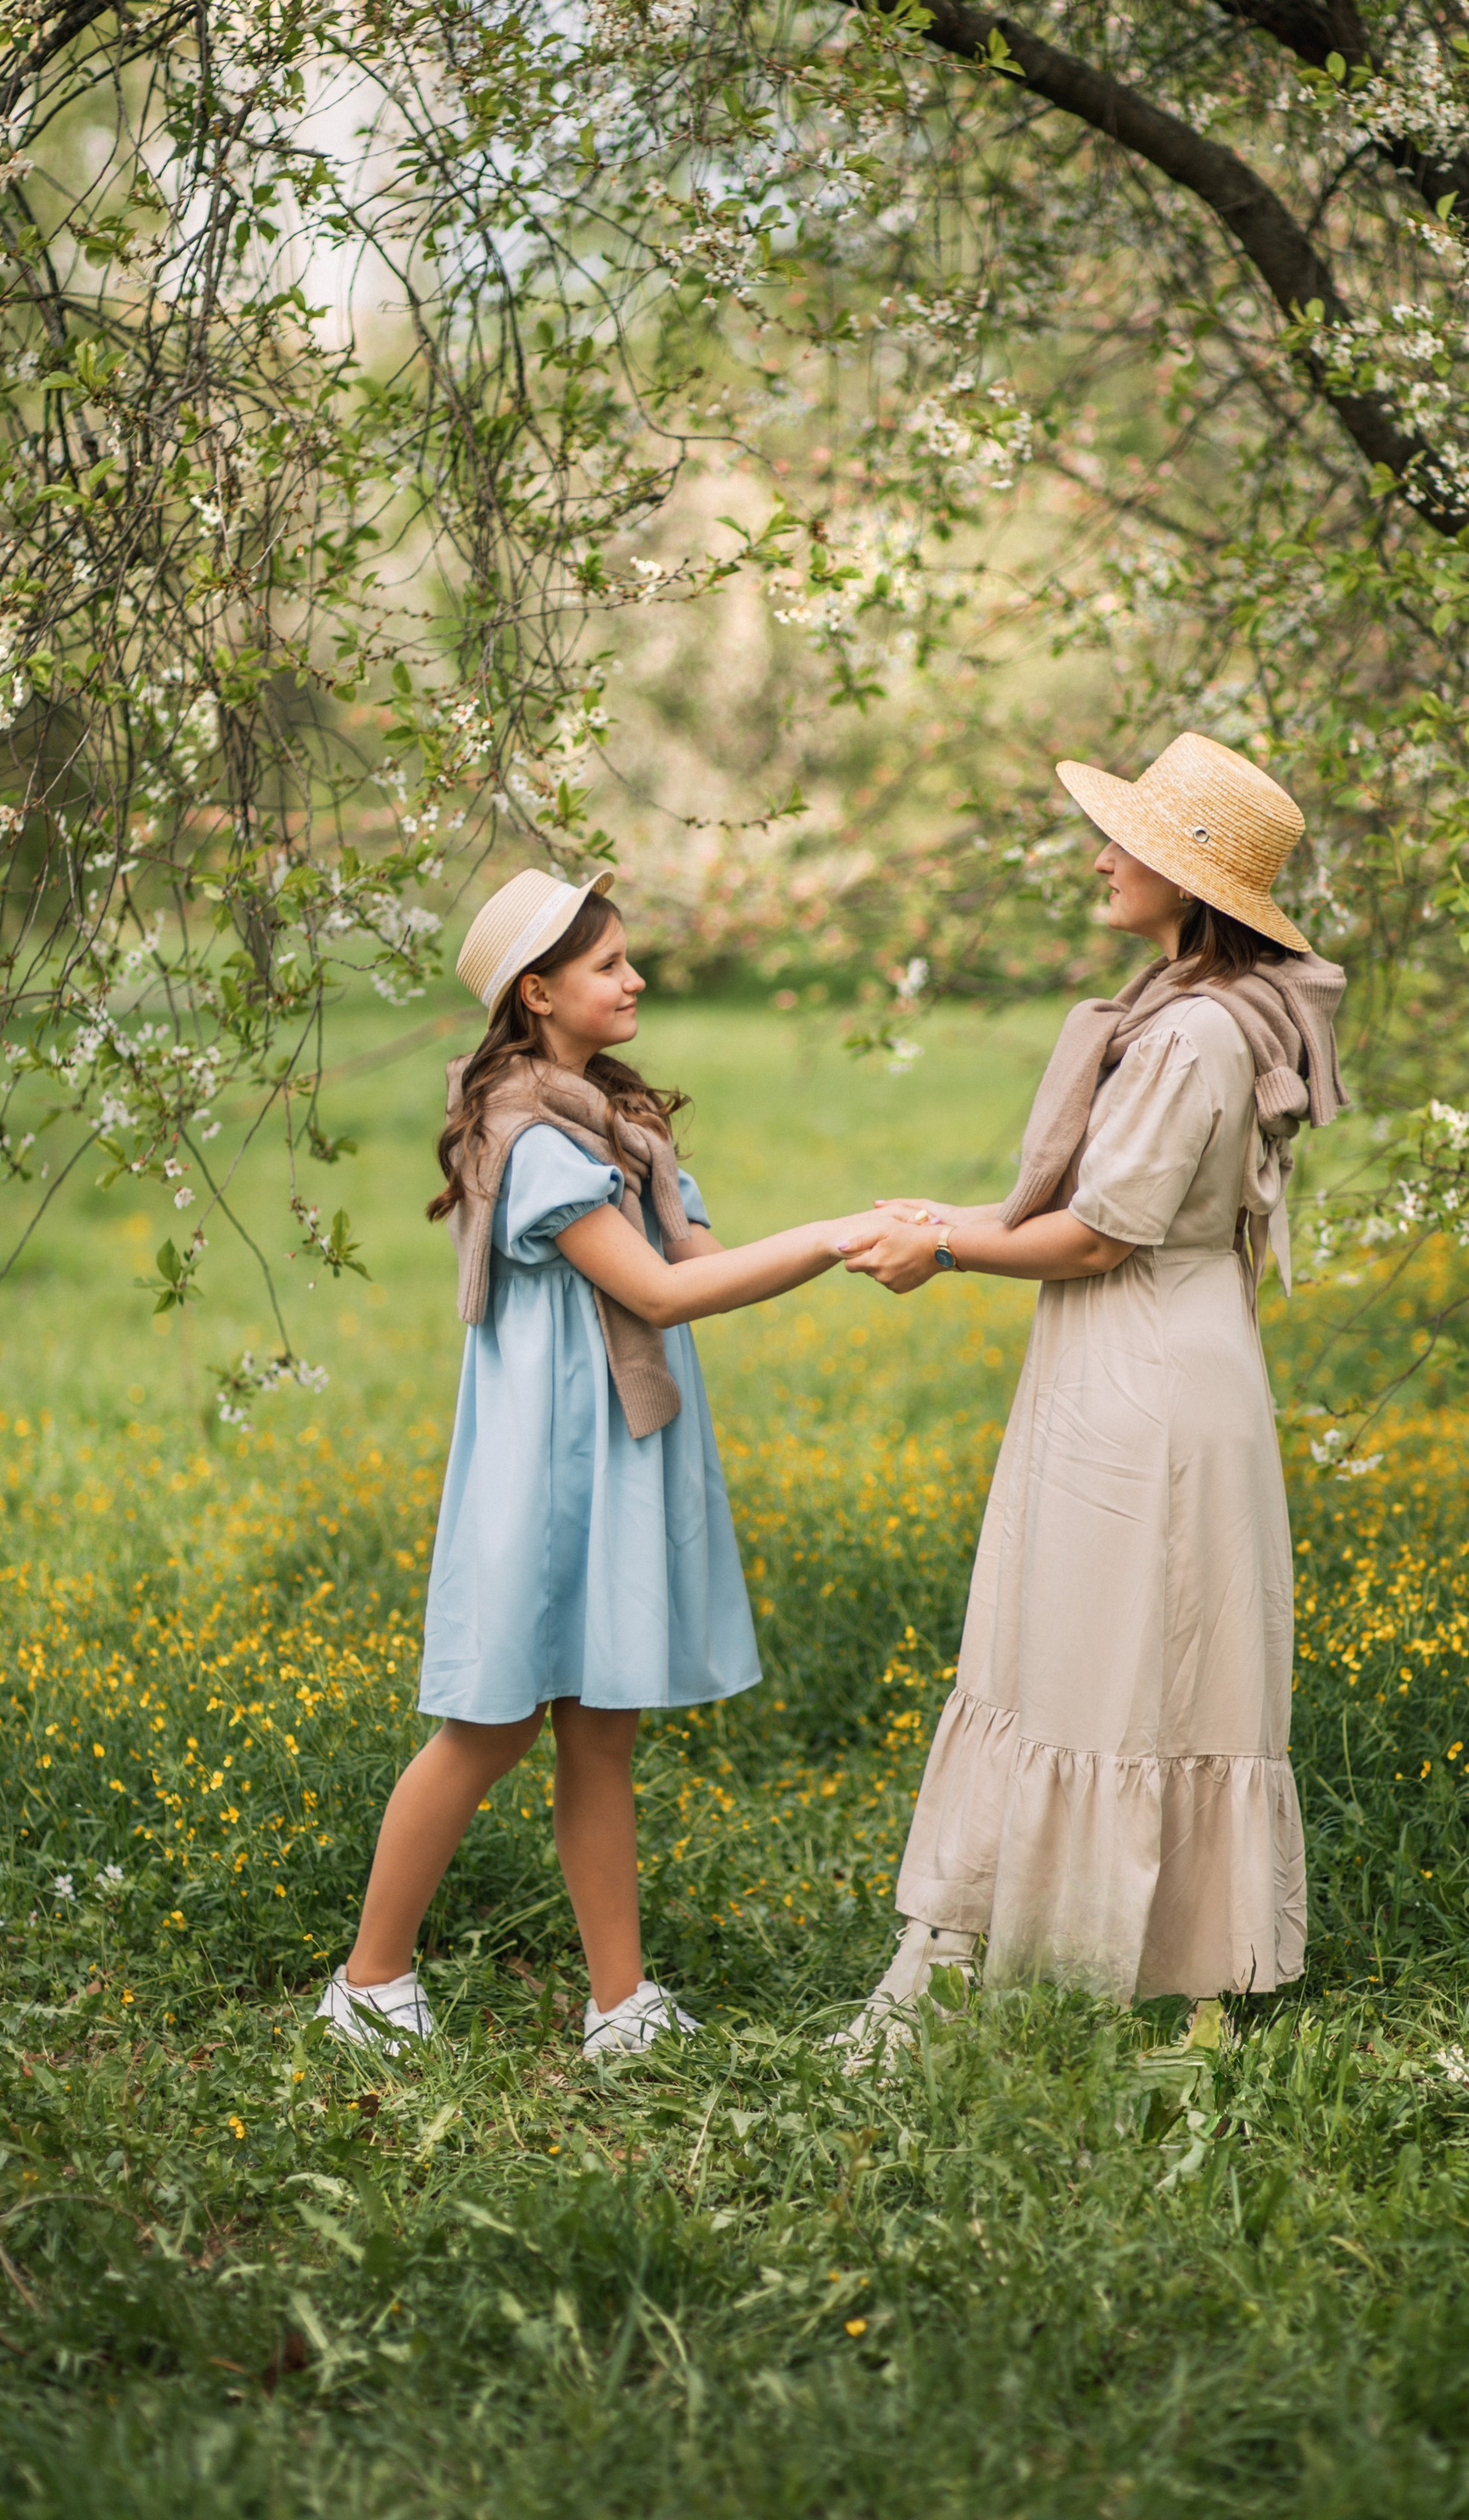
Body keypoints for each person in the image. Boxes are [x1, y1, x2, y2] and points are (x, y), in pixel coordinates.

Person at [319, 867, 880, 2061]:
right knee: (493, 1722)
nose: (636, 978)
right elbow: (660, 1289)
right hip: (548, 1458)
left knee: (601, 1727)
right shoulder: (527, 1138)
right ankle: (370, 1978)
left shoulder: (617, 1117)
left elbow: (699, 1252)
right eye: (609, 962)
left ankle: (619, 2004)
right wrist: (834, 1236)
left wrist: (801, 1235)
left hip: (619, 1447)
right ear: (538, 991)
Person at [838, 732, 1347, 2046]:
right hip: (1150, 1350)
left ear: (1196, 887)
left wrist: (945, 1246)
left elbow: (1102, 1231)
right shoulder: (1196, 1010)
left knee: (1111, 1655)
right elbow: (1102, 1215)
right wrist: (947, 1212)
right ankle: (1116, 1957)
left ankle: (1082, 1965)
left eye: (1131, 842)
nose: (1102, 856)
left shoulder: (1189, 1034)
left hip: (1144, 1372)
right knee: (1105, 1650)